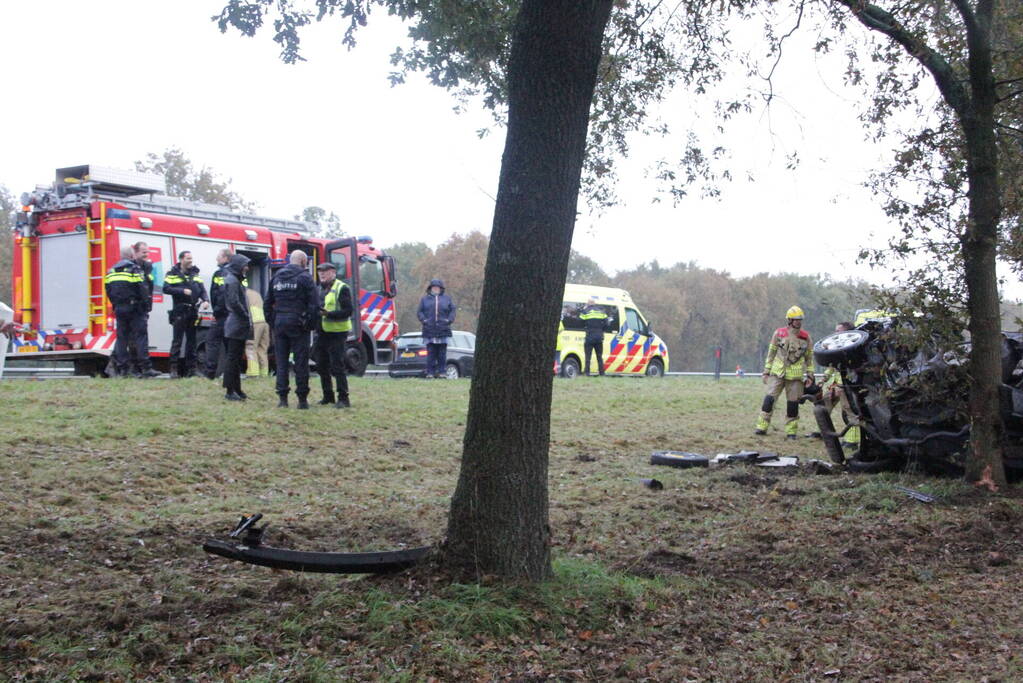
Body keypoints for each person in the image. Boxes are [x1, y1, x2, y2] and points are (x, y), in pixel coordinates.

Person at [264, 250, 319, 408]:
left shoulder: (277, 277)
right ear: (303, 261)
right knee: (300, 362)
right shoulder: (305, 278)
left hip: (280, 323)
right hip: (298, 324)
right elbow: (314, 305)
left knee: (281, 362)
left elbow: (267, 303)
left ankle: (283, 399)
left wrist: (273, 322)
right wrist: (310, 325)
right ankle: (302, 400)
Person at [755, 305, 814, 439]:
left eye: (800, 319)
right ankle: (761, 427)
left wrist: (810, 375)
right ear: (790, 320)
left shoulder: (806, 337)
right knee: (769, 400)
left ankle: (791, 432)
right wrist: (766, 371)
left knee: (792, 405)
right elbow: (771, 353)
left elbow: (809, 358)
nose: (798, 322)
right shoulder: (779, 333)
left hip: (796, 377)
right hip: (777, 374)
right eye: (796, 319)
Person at [104, 246, 159, 378]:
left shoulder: (111, 271)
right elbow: (143, 288)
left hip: (119, 308)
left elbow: (108, 290)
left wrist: (116, 304)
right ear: (132, 256)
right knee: (140, 337)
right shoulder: (134, 269)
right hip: (135, 308)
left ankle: (123, 369)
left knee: (122, 338)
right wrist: (146, 305)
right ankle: (145, 368)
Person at [312, 262, 354, 407]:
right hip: (322, 332)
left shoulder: (342, 288)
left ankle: (343, 398)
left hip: (337, 333)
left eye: (325, 271)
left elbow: (348, 311)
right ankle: (328, 396)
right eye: (320, 272)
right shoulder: (318, 289)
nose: (322, 274)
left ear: (333, 273)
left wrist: (329, 314)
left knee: (337, 366)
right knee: (321, 365)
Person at [162, 250, 208, 378]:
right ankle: (174, 369)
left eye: (191, 258)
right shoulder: (172, 274)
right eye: (188, 258)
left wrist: (206, 300)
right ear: (181, 259)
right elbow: (166, 288)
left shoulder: (195, 274)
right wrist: (182, 291)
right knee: (177, 341)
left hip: (193, 311)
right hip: (179, 310)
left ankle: (191, 370)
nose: (190, 261)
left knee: (192, 342)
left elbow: (202, 290)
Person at [821, 321, 861, 449]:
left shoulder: (852, 349)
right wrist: (824, 379)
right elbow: (832, 366)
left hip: (847, 385)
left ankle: (852, 441)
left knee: (849, 411)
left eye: (838, 331)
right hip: (836, 384)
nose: (835, 334)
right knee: (824, 405)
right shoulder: (836, 348)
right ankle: (825, 432)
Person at [221, 254, 251, 401]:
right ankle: (229, 390)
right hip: (236, 324)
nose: (247, 268)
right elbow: (234, 302)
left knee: (237, 359)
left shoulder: (234, 279)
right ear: (239, 265)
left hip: (236, 324)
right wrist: (245, 315)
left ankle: (237, 389)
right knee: (232, 359)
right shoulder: (232, 281)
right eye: (245, 265)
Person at [416, 278, 456, 378]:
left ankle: (442, 372)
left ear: (441, 288)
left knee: (442, 354)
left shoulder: (447, 298)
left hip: (443, 330)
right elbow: (419, 312)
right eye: (434, 287)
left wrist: (449, 320)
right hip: (429, 330)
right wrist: (424, 320)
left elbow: (453, 310)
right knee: (431, 353)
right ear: (430, 288)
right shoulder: (424, 299)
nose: (436, 289)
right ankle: (430, 373)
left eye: (437, 287)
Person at [205, 249, 232, 379]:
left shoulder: (220, 274)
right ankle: (229, 374)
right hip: (232, 316)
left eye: (219, 257)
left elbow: (220, 295)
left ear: (226, 258)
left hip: (222, 315)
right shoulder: (237, 273)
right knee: (229, 346)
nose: (217, 259)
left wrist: (216, 312)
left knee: (212, 342)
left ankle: (210, 373)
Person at [580, 297, 609, 376]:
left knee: (588, 357)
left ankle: (587, 373)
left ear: (588, 304)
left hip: (589, 336)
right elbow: (607, 323)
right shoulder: (601, 311)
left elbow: (580, 321)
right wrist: (602, 330)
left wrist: (586, 326)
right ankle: (602, 373)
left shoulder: (586, 311)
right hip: (599, 337)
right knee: (599, 356)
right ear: (595, 303)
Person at [245, 285, 270, 377]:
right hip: (264, 322)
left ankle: (253, 373)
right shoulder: (255, 293)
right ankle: (264, 373)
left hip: (254, 322)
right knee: (262, 349)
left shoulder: (244, 294)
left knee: (251, 347)